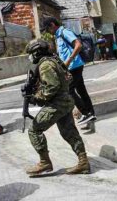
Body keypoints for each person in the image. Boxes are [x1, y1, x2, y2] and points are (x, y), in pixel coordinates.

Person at [24, 39, 90, 176]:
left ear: (36, 52)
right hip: (66, 101)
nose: (30, 57)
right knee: (69, 132)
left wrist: (36, 97)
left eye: (31, 53)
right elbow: (69, 78)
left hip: (57, 104)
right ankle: (83, 162)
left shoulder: (45, 65)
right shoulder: (54, 60)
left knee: (34, 130)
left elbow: (51, 88)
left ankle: (44, 162)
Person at [41, 17, 96, 126]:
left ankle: (86, 113)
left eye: (47, 28)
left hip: (74, 66)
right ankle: (91, 114)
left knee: (69, 91)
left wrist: (69, 60)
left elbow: (78, 45)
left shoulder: (64, 32)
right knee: (81, 91)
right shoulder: (58, 36)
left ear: (52, 24)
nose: (47, 31)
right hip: (74, 66)